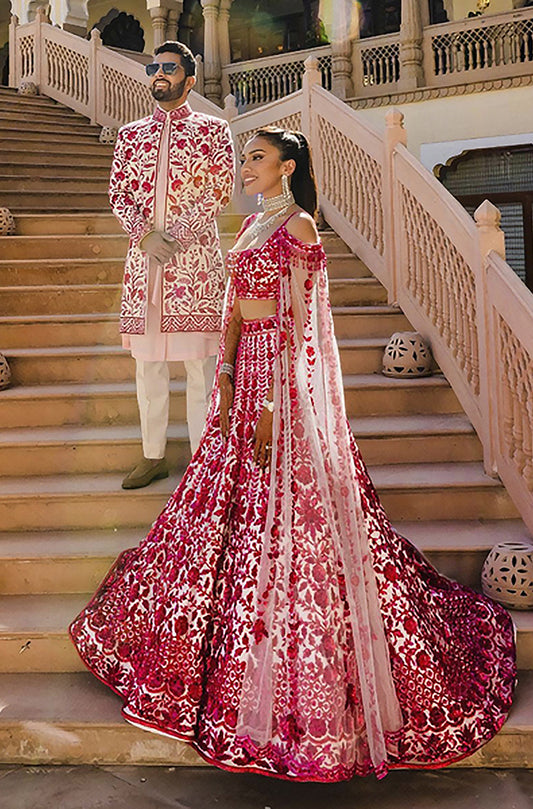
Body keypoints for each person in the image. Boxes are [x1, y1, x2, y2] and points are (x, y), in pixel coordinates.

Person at [70, 127, 516, 781]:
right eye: (243, 157)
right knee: (216, 521)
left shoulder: (301, 227)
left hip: (283, 385)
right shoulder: (251, 226)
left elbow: (308, 325)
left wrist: (279, 403)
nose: (243, 166)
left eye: (255, 157)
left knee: (295, 536)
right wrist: (223, 370)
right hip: (244, 374)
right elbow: (233, 306)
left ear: (287, 165)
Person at [109, 41, 235, 489]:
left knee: (200, 365)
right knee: (148, 366)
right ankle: (152, 456)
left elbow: (219, 191)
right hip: (145, 266)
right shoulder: (130, 135)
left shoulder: (213, 131)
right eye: (153, 67)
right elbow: (118, 193)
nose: (158, 74)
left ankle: (204, 462)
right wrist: (145, 234)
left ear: (189, 78)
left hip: (194, 264)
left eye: (169, 67)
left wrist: (175, 236)